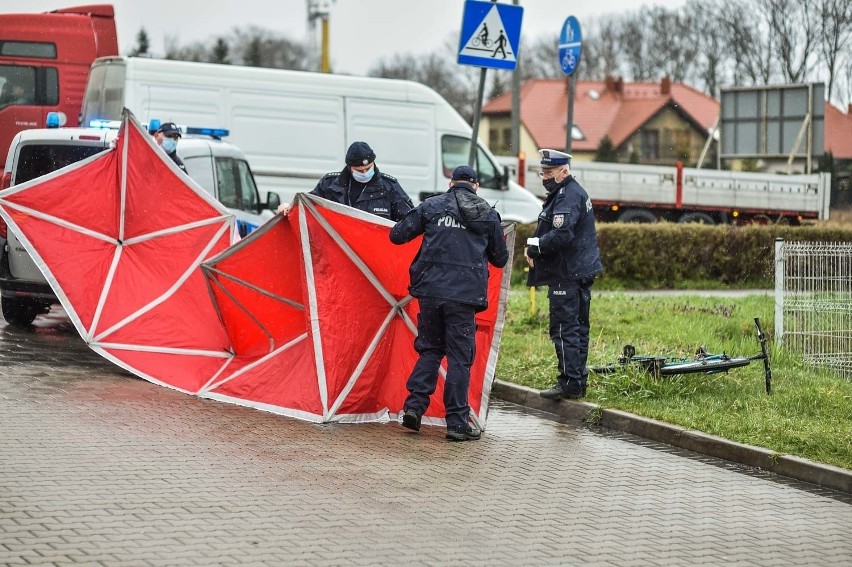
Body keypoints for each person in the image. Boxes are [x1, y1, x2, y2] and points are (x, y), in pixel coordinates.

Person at [390, 165, 509, 441]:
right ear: (476, 186)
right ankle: (456, 423)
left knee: (430, 349)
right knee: (459, 359)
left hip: (430, 293)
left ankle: (414, 407)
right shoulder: (487, 214)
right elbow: (499, 258)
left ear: (451, 183)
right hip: (464, 297)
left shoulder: (431, 206)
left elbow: (397, 235)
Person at [525, 149, 602, 400]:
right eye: (543, 172)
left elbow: (562, 234)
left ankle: (569, 382)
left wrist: (535, 247)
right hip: (578, 270)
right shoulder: (570, 192)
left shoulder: (567, 196)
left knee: (564, 328)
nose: (545, 177)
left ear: (564, 171)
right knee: (578, 328)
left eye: (549, 173)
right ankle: (577, 382)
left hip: (567, 272)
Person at [277, 141, 413, 222]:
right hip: (338, 255)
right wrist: (289, 209)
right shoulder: (330, 185)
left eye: (368, 168)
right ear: (350, 167)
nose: (365, 173)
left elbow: (410, 221)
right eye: (359, 170)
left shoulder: (389, 187)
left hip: (374, 257)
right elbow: (308, 207)